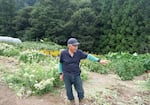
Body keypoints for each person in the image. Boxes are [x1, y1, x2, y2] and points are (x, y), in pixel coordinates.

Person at [58, 38, 109, 105]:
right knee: (69, 91)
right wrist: (61, 73)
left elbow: (88, 56)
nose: (76, 47)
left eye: (77, 46)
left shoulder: (79, 53)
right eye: (74, 46)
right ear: (69, 46)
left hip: (76, 75)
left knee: (80, 91)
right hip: (67, 75)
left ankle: (81, 100)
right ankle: (72, 102)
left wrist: (99, 60)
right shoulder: (63, 53)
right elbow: (60, 63)